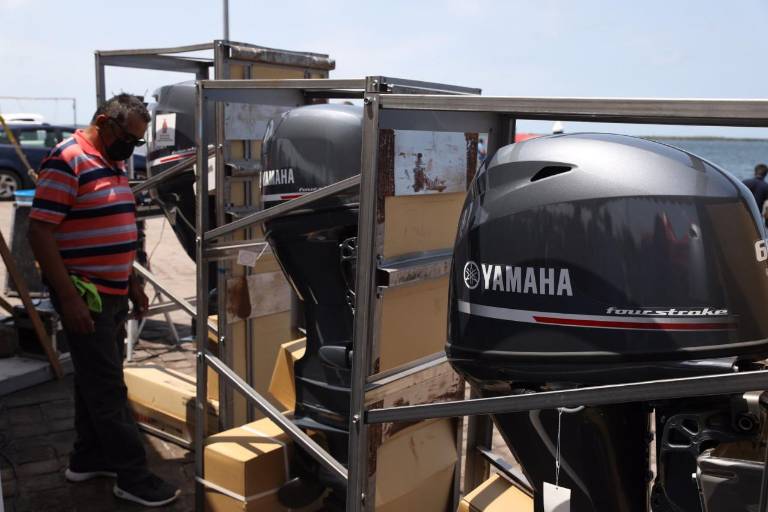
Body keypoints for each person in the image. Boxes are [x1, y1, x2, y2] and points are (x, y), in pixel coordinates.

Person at [27, 94, 180, 507]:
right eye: (127, 138)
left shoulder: (111, 161)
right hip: (85, 295)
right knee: (109, 388)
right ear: (102, 122)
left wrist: (131, 282)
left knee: (94, 380)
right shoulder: (67, 160)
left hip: (112, 293)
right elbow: (39, 232)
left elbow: (117, 225)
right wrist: (68, 298)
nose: (130, 147)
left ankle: (88, 457)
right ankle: (133, 476)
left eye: (137, 142)